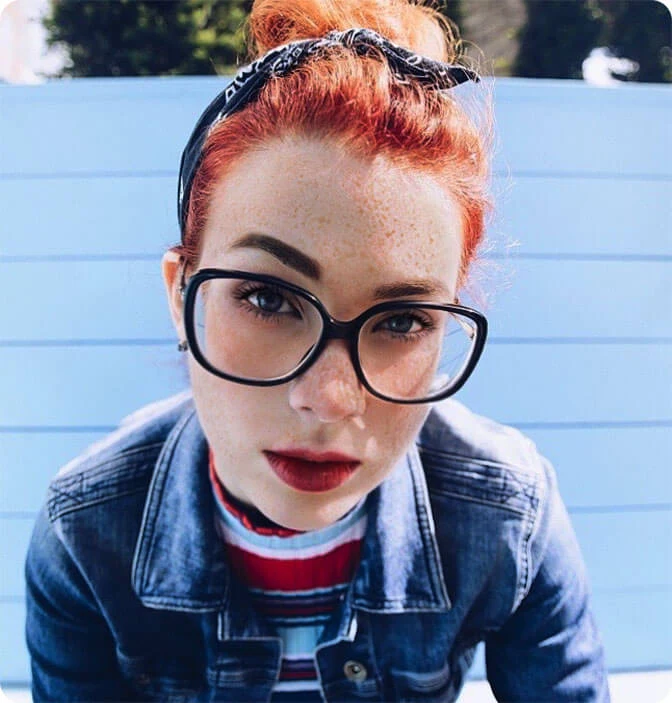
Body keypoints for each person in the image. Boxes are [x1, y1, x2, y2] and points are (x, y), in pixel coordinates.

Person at [24, 0, 610, 700]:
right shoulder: (84, 534)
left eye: (402, 320)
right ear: (182, 295)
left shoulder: (510, 515)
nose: (330, 399)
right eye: (268, 299)